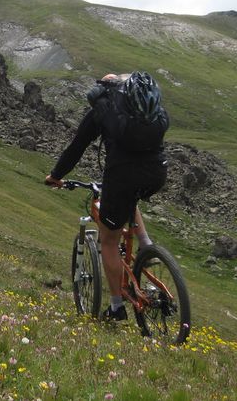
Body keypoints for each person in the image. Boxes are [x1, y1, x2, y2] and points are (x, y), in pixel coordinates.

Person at [44, 71, 169, 321]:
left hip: (122, 176)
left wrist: (56, 175)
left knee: (109, 241)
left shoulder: (102, 111)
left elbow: (76, 148)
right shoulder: (146, 111)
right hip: (157, 172)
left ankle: (115, 306)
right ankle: (147, 248)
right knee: (129, 201)